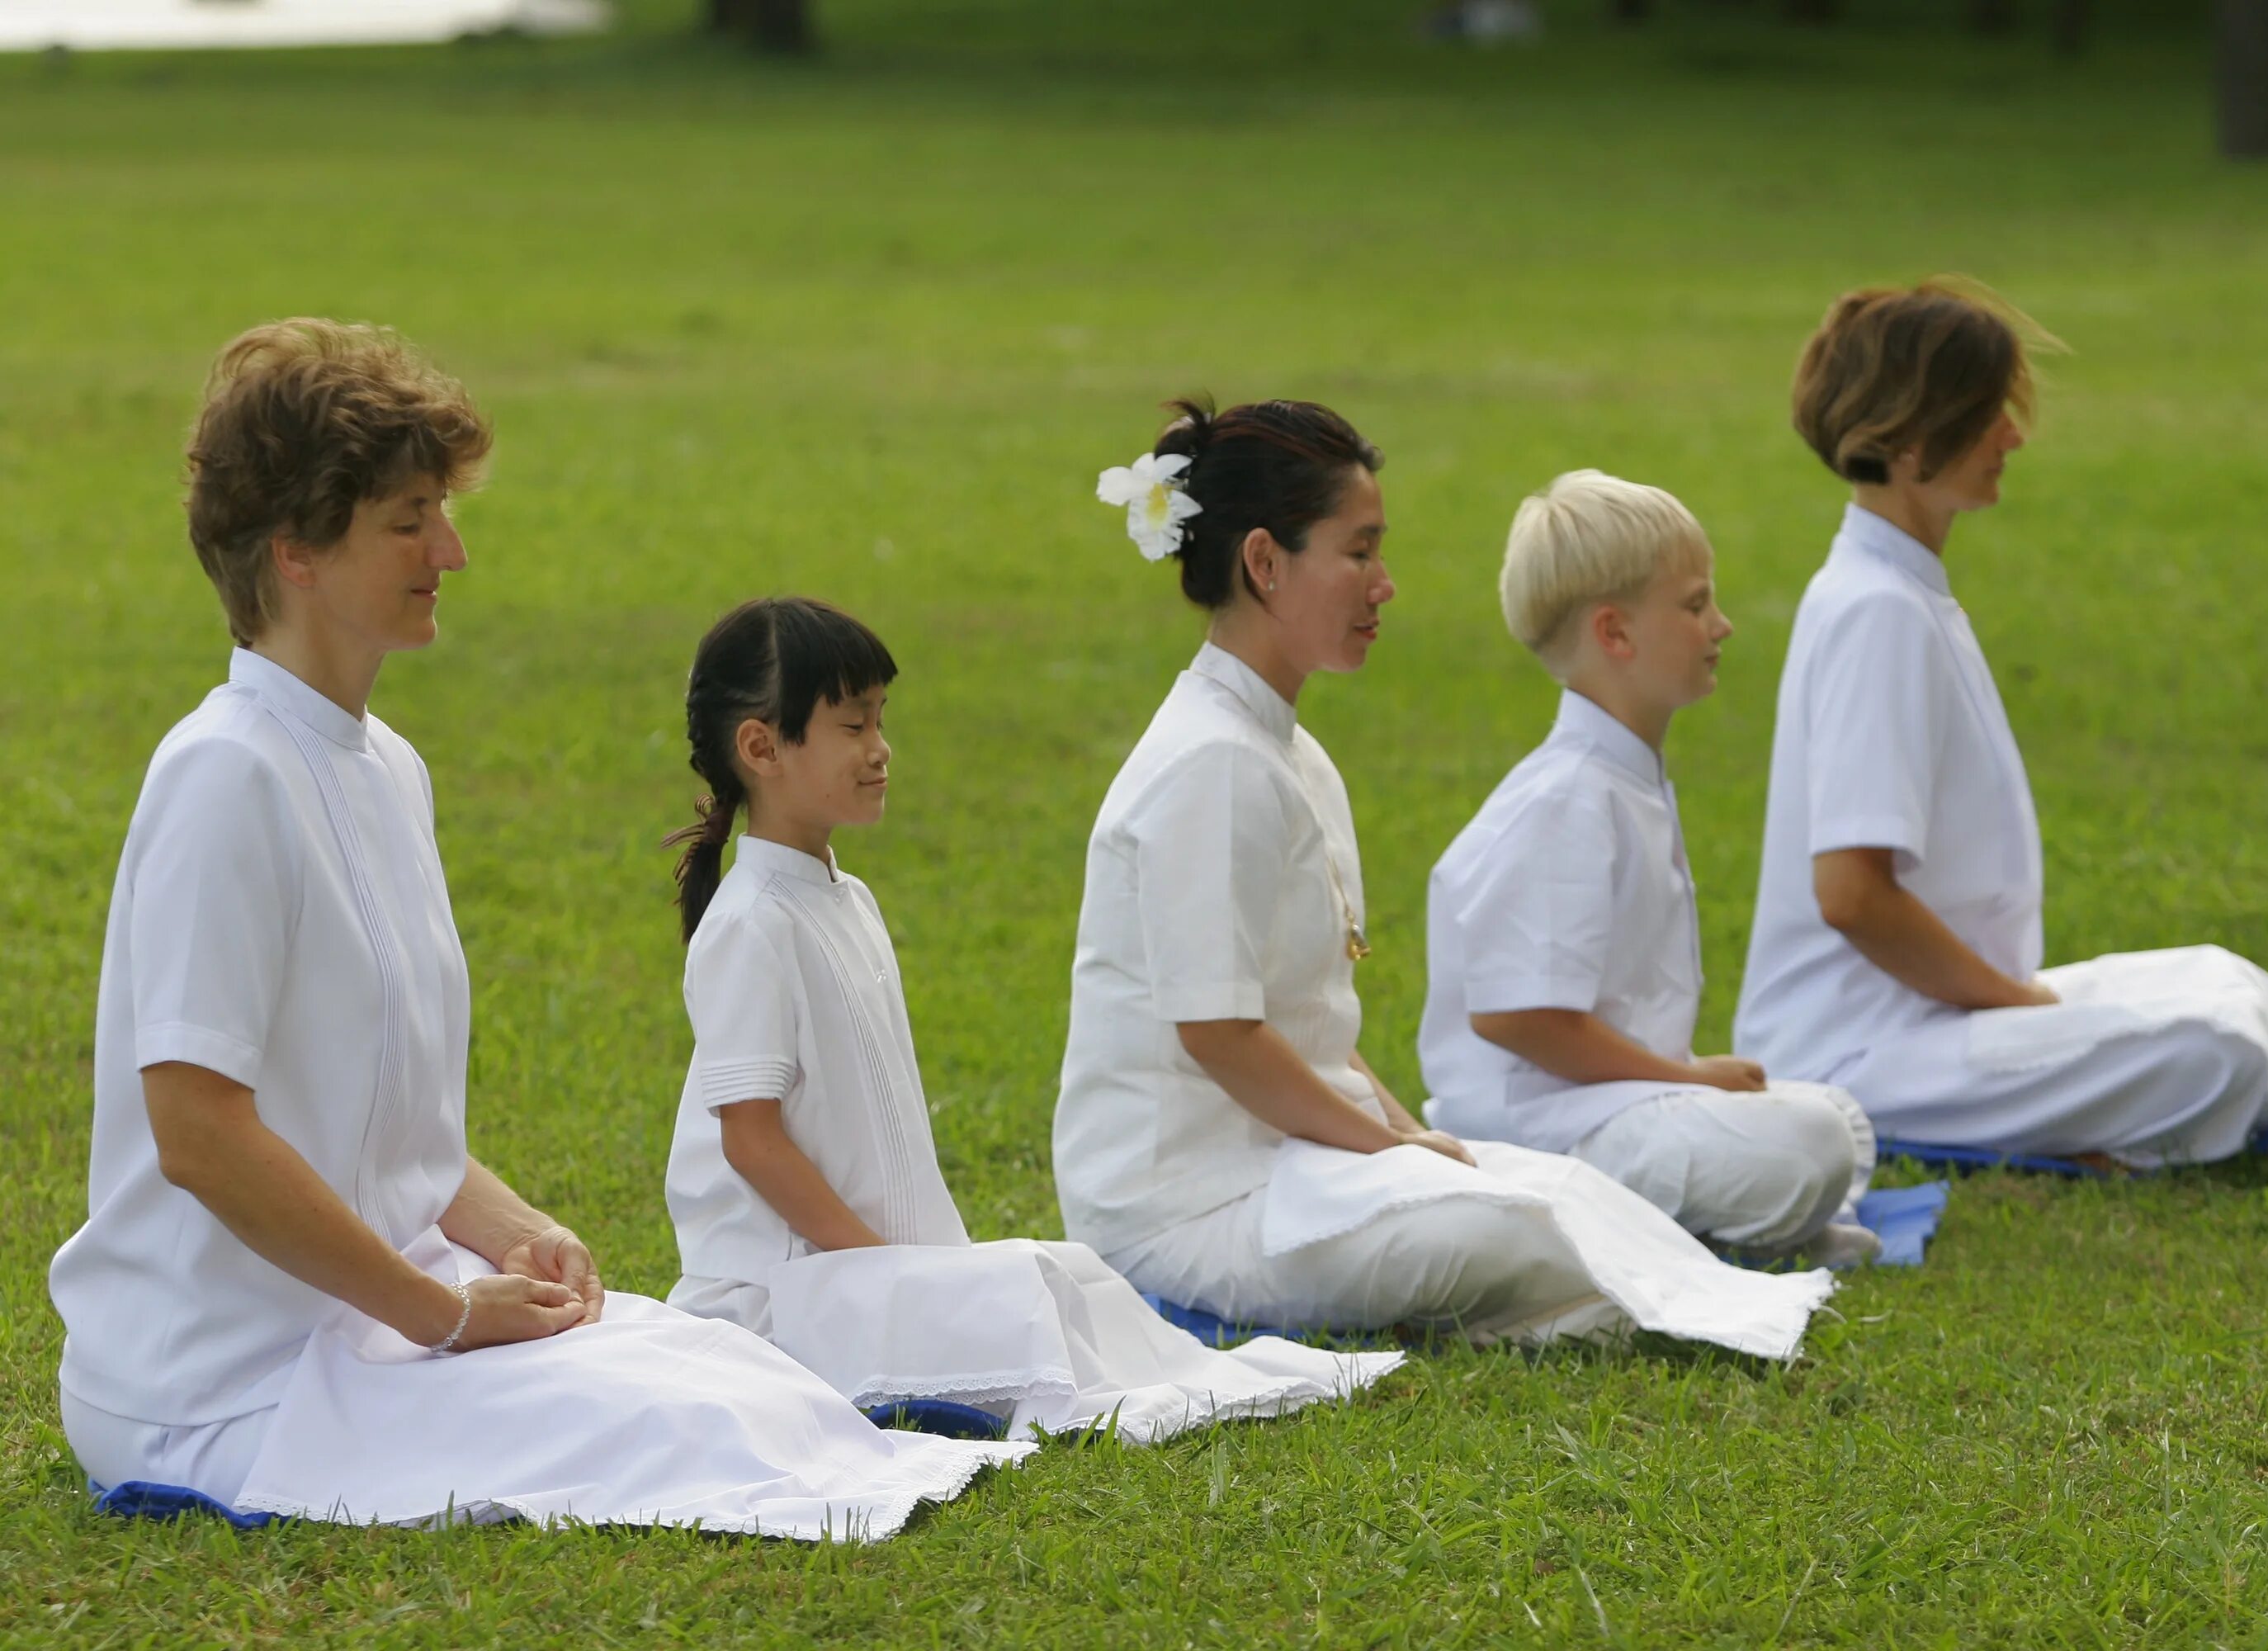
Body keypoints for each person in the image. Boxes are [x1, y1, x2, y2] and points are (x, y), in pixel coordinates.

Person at [47, 320, 1025, 1540]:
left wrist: (514, 1230)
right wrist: (438, 1312)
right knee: (681, 1431)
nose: (449, 550)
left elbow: (374, 1117)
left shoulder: (386, 768)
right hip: (224, 1382)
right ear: (295, 547)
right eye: (409, 519)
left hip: (371, 1320)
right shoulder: (223, 775)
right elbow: (197, 1134)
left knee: (730, 1377)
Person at [1053, 399, 1833, 1361]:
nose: (1385, 585)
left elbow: (1309, 1027)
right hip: (1185, 1211)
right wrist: (1390, 1153)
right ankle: (1608, 1307)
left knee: (1556, 1190)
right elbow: (1219, 1034)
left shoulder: (1285, 753)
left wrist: (1411, 1136)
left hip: (1292, 1164)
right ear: (1264, 562)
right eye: (1360, 552)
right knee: (1505, 1224)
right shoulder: (1210, 764)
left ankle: (1619, 1297)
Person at [659, 596, 1401, 1441]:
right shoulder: (750, 922)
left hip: (867, 1267)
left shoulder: (842, 898)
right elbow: (752, 1141)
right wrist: (883, 1270)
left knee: (1064, 1272)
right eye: (852, 725)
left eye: (880, 720)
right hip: (786, 1292)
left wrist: (916, 1270)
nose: (880, 748)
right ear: (761, 746)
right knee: (1030, 1301)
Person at [1733, 280, 2268, 1180]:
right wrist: (2015, 1004)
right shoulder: (1875, 610)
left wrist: (2016, 1004)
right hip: (1865, 1050)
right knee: (2218, 1049)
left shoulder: (1897, 587)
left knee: (2224, 981)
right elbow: (1852, 894)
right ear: (1913, 441)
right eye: (1988, 412)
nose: (2013, 434)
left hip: (1944, 1013)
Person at [1419, 471, 1877, 1263]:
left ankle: (1735, 1220)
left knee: (1836, 1116)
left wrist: (1686, 1078)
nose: (1721, 625)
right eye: (1696, 605)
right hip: (1540, 1132)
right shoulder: (1564, 800)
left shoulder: (1619, 777)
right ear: (1616, 633)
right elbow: (1518, 1017)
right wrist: (1687, 1078)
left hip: (1614, 1105)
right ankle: (1689, 1232)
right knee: (1811, 1140)